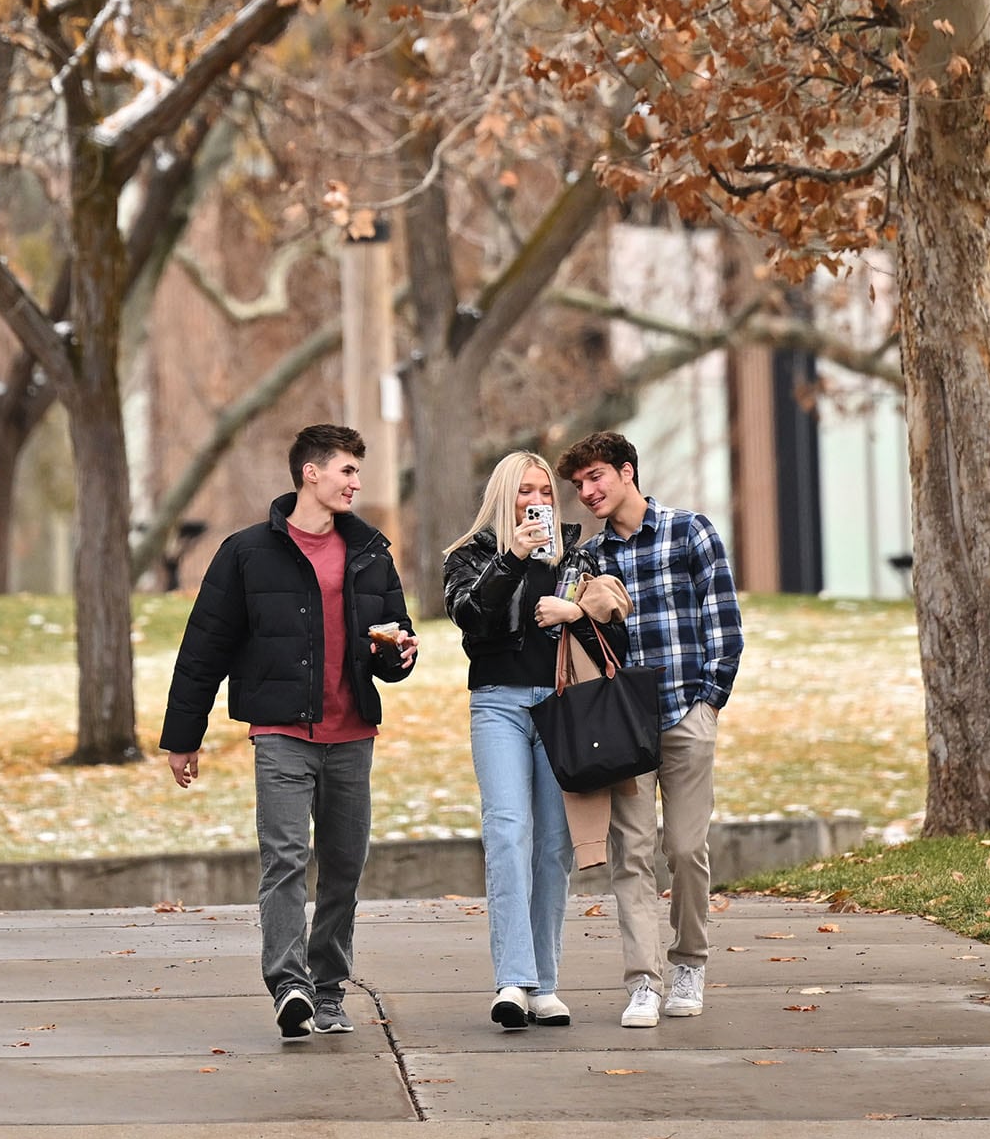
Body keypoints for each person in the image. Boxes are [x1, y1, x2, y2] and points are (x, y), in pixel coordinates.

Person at [161, 424, 419, 1040]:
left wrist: (399, 654)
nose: (356, 482)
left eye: (358, 471)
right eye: (347, 471)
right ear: (311, 472)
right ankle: (290, 984)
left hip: (352, 733)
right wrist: (183, 737)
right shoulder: (247, 553)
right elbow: (204, 649)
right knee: (284, 859)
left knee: (344, 866)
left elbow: (392, 639)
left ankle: (328, 986)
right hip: (280, 732)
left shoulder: (371, 553)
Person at [555, 429, 743, 1029]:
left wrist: (709, 702)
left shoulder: (692, 532)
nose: (586, 492)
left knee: (686, 850)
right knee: (630, 856)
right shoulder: (590, 555)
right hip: (624, 729)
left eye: (595, 478)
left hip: (687, 714)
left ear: (627, 471)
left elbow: (725, 626)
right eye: (578, 484)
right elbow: (559, 623)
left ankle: (689, 960)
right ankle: (643, 981)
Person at [443, 451, 632, 1030]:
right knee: (507, 831)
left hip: (559, 705)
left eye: (546, 491)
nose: (538, 501)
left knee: (553, 843)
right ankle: (512, 981)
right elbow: (470, 618)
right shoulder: (471, 555)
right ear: (505, 495)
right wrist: (514, 556)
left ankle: (544, 984)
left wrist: (573, 610)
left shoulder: (576, 555)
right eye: (526, 490)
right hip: (497, 702)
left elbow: (613, 626)